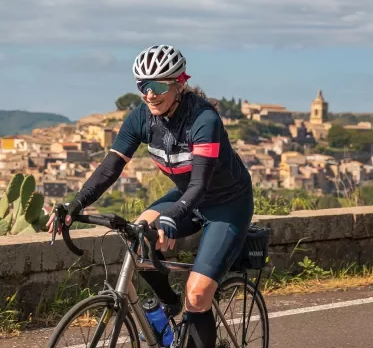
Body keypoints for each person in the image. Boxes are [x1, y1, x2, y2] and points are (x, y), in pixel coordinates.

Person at [47, 44, 254, 348]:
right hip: (186, 196)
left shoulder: (203, 120)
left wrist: (171, 218)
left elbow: (200, 184)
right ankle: (169, 303)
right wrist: (76, 204)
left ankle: (190, 311)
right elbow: (110, 167)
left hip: (226, 204)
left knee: (197, 294)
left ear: (179, 83)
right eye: (143, 86)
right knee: (138, 236)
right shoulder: (141, 118)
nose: (150, 94)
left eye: (158, 86)